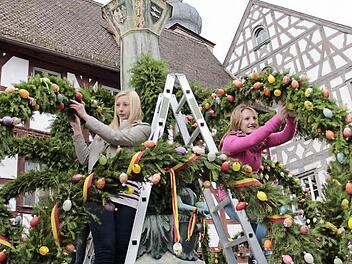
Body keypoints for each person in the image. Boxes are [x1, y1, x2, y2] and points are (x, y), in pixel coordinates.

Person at [69, 90, 151, 264]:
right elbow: (85, 159)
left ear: (134, 106)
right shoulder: (103, 132)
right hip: (100, 193)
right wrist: (77, 131)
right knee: (104, 251)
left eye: (125, 104)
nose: (120, 109)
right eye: (118, 105)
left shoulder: (142, 129)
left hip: (127, 197)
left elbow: (117, 138)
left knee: (121, 254)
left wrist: (86, 117)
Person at [219, 101, 297, 263]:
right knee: (266, 224)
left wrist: (290, 118)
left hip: (252, 199)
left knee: (258, 235)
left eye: (254, 117)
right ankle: (264, 258)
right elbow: (250, 140)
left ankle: (257, 259)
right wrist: (276, 118)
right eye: (247, 119)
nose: (252, 121)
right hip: (232, 200)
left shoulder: (258, 144)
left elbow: (285, 135)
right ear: (237, 122)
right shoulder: (230, 141)